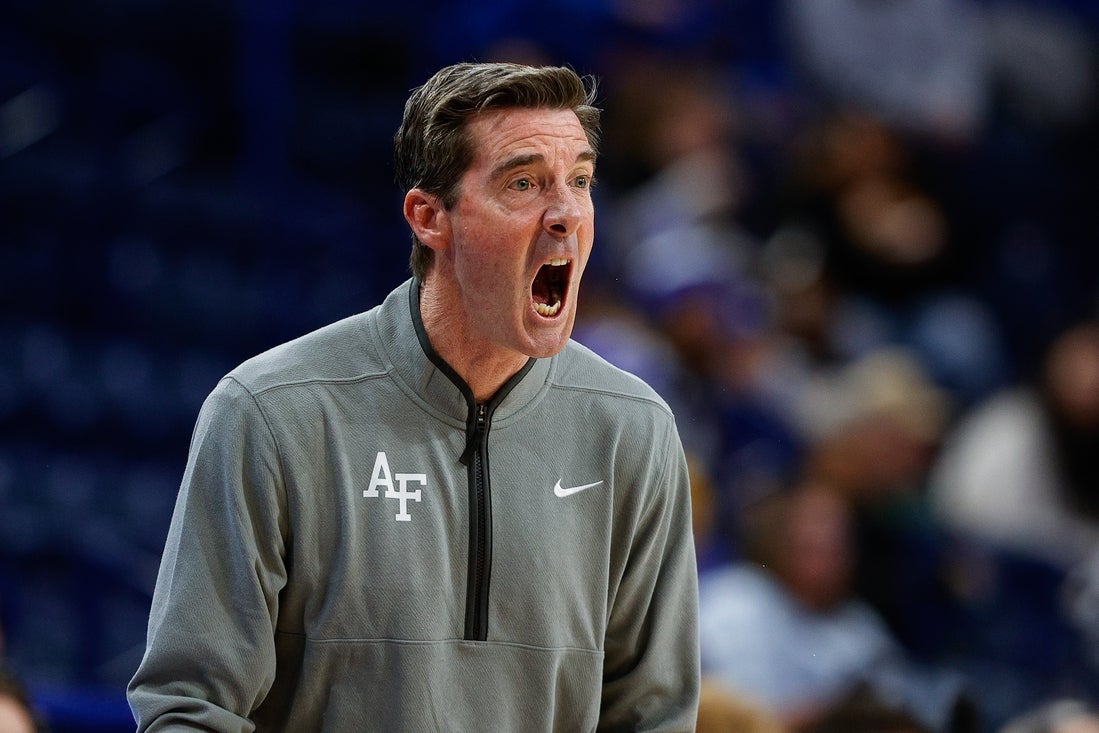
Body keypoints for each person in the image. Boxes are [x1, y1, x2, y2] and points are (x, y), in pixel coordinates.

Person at [126, 61, 700, 730]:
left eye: (579, 181)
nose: (566, 214)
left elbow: (653, 717)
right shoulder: (274, 410)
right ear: (430, 217)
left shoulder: (632, 429)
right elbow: (189, 706)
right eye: (523, 183)